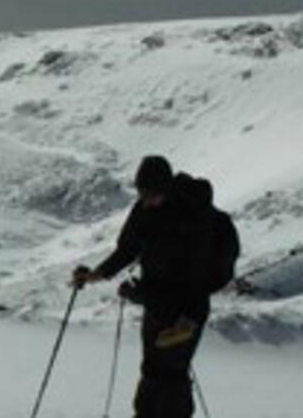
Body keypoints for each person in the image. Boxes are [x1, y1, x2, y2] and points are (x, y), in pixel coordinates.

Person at [71, 156, 240, 418]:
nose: (147, 200)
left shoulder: (193, 215)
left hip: (187, 313)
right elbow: (127, 250)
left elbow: (196, 279)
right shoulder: (144, 211)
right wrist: (96, 274)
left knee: (171, 374)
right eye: (142, 193)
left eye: (153, 194)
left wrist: (176, 311)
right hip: (157, 306)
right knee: (152, 370)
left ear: (167, 188)